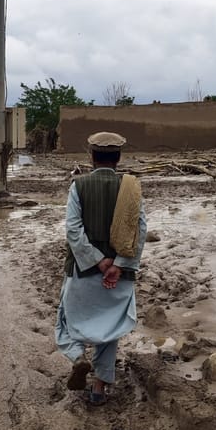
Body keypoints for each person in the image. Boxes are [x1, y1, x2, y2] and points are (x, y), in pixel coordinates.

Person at [55, 131, 147, 406]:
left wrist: (97, 260)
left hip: (83, 271)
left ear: (91, 156)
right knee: (110, 330)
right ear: (118, 158)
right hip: (119, 277)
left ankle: (77, 357)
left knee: (65, 319)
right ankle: (98, 389)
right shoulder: (131, 187)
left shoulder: (78, 185)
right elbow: (139, 231)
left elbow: (73, 229)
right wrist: (118, 265)